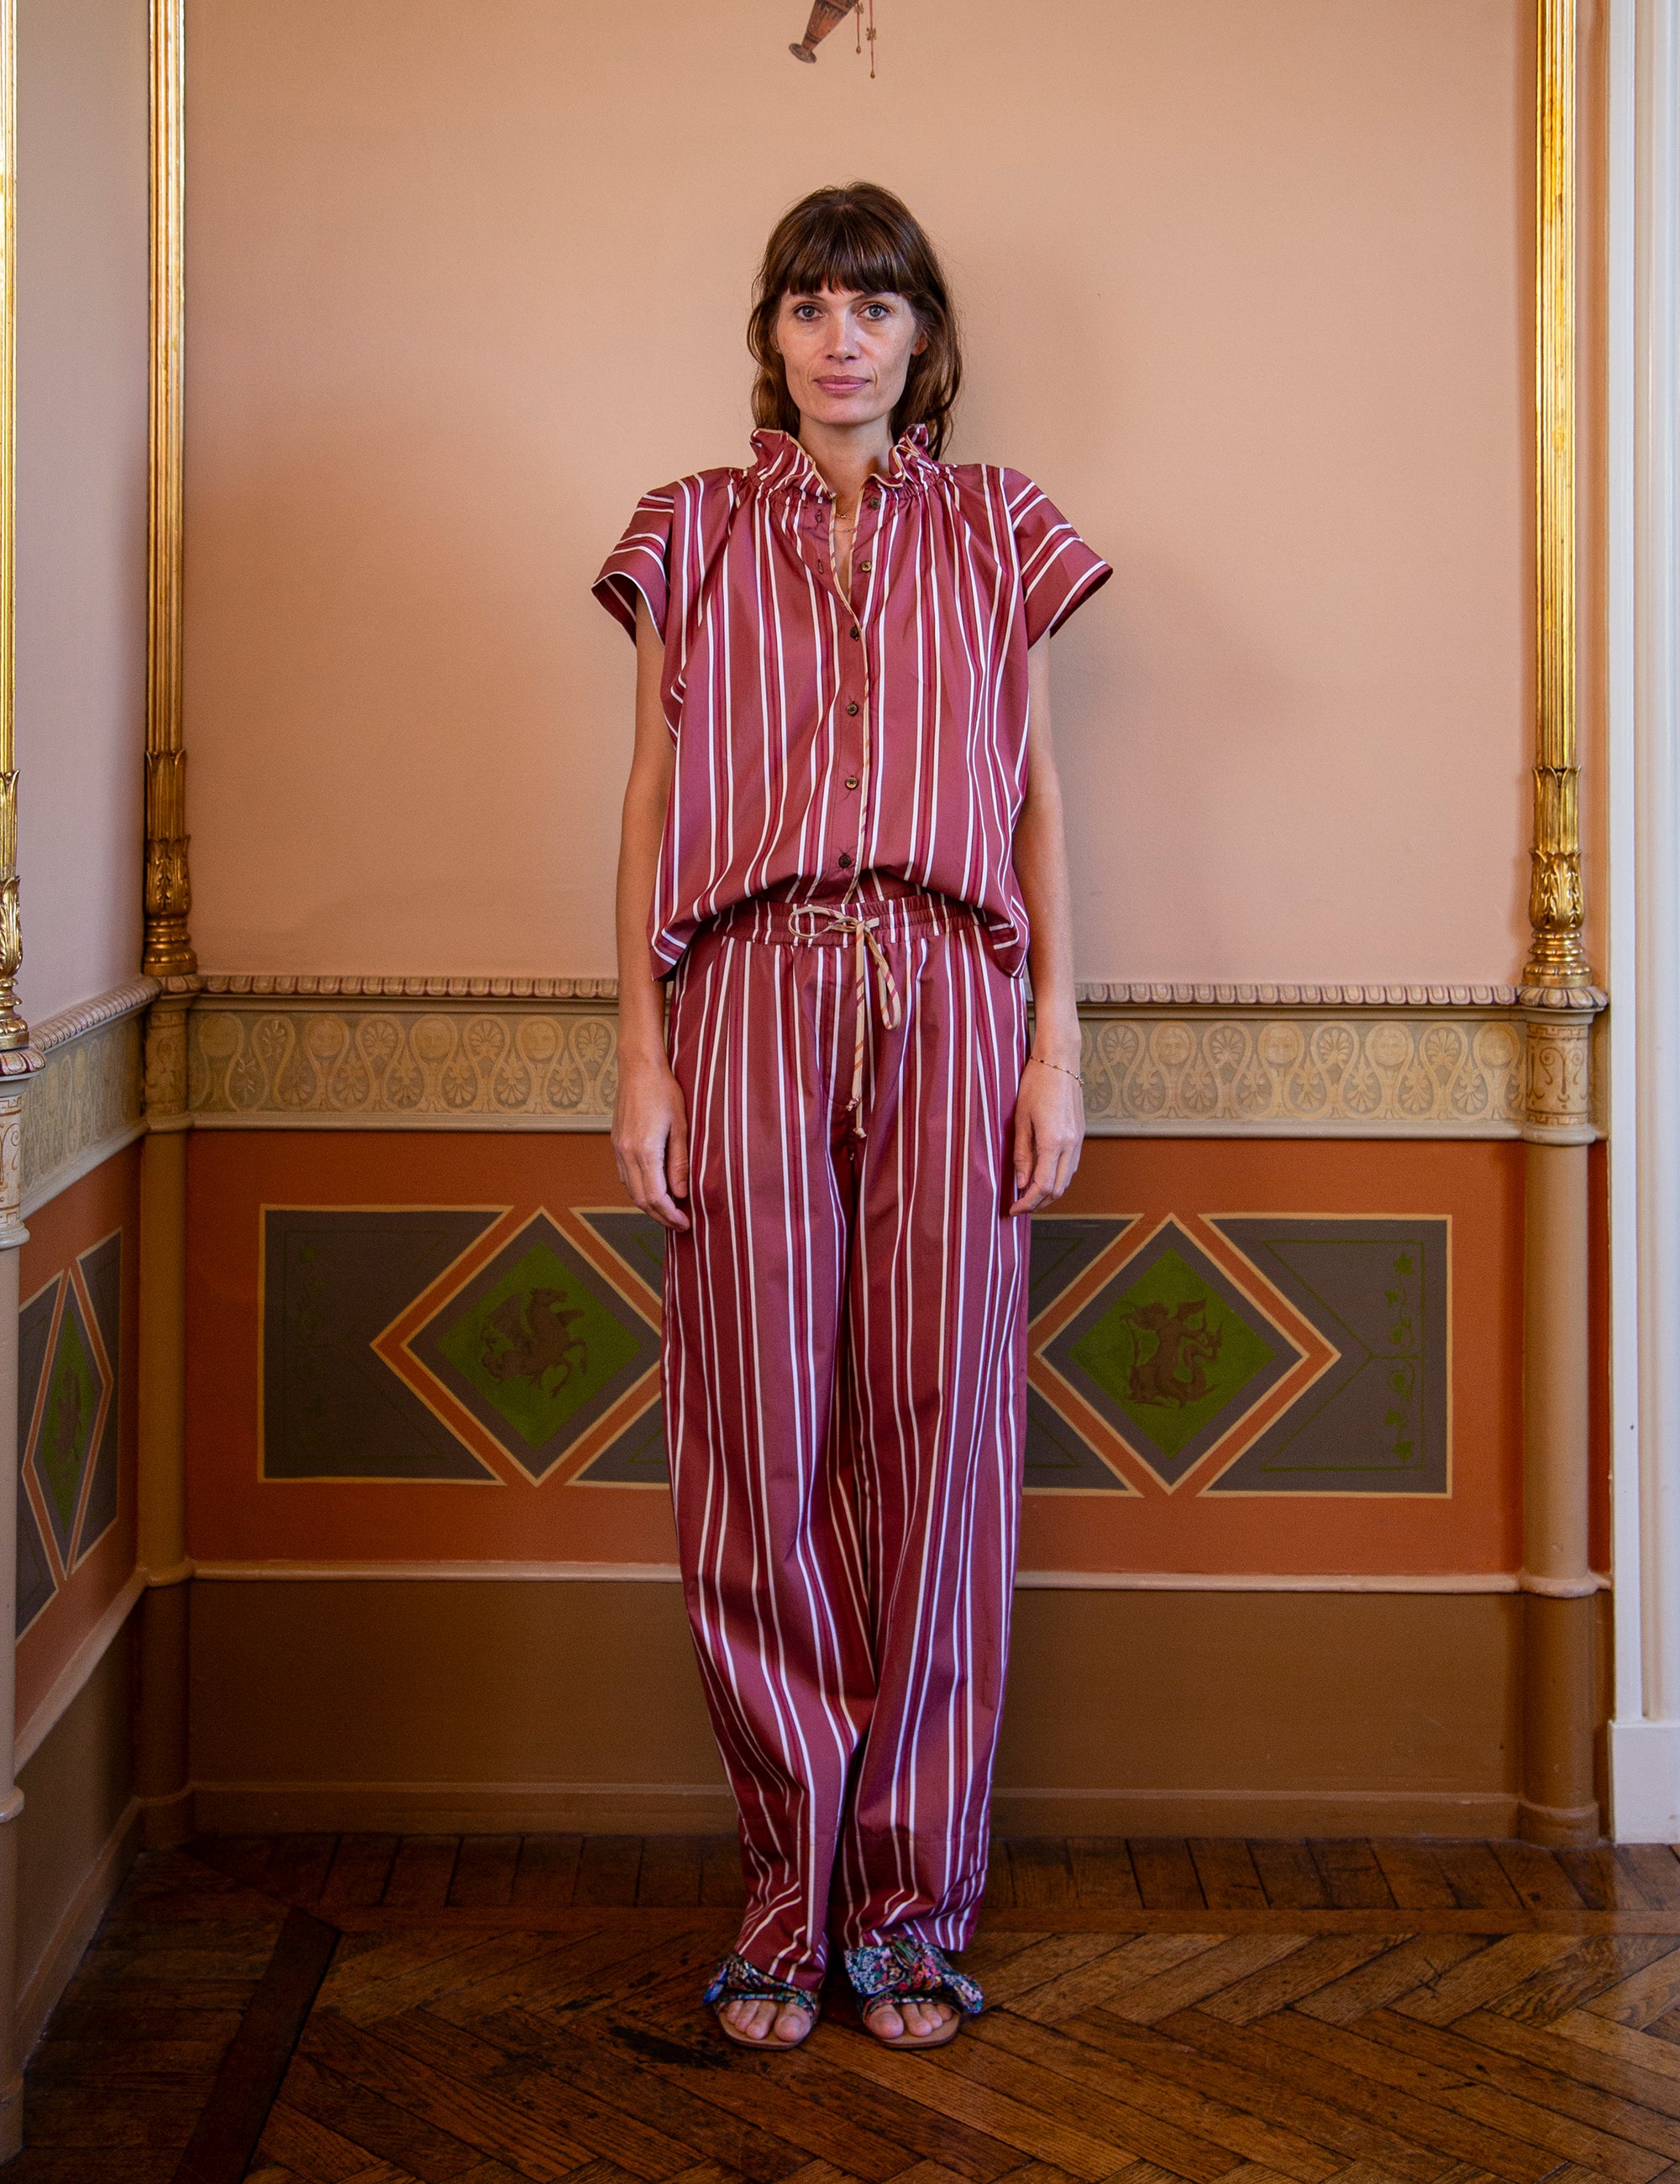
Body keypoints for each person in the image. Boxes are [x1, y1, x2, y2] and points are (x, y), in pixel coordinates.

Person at [594, 181, 1110, 2053]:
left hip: (950, 994)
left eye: (874, 305)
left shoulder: (1000, 528)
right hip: (744, 988)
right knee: (754, 1438)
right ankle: (784, 1889)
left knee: (942, 1445)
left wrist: (1055, 1043)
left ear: (921, 338)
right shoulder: (687, 531)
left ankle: (908, 1906)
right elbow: (652, 797)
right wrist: (641, 1052)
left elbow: (1034, 795)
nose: (840, 336)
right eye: (809, 303)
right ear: (772, 333)